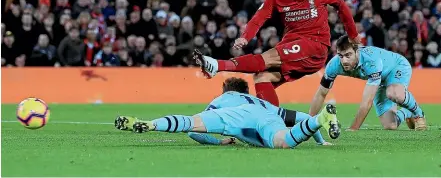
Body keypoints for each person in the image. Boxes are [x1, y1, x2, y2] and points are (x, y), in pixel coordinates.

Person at [193, 0, 361, 106]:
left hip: (315, 45)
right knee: (261, 76)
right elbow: (259, 17)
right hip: (292, 47)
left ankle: (217, 64)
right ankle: (273, 125)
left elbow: (342, 7)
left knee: (268, 57)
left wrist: (353, 35)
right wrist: (246, 36)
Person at [115, 77, 341, 149]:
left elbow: (195, 133)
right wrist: (320, 141)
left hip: (234, 117)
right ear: (246, 91)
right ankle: (323, 118)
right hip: (266, 117)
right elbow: (302, 117)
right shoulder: (261, 102)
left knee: (189, 122)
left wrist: (218, 142)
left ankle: (152, 124)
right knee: (284, 141)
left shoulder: (223, 99)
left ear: (226, 91)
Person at [309, 35, 427, 131]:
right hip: (380, 80)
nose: (344, 60)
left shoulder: (371, 61)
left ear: (357, 51)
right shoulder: (333, 65)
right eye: (340, 55)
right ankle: (407, 113)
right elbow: (321, 93)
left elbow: (367, 102)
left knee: (393, 93)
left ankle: (418, 114)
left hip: (396, 67)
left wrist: (353, 129)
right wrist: (309, 123)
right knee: (390, 125)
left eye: (348, 55)